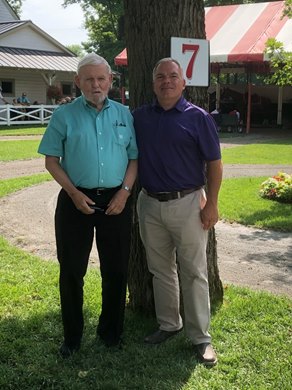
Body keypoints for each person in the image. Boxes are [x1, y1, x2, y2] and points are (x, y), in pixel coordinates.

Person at [38, 53, 138, 358]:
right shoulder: (63, 116)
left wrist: (124, 193)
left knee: (116, 269)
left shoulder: (124, 114)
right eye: (89, 79)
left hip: (116, 201)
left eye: (101, 79)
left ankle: (111, 334)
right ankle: (72, 338)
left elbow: (134, 158)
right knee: (71, 271)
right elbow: (51, 161)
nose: (96, 84)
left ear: (110, 81)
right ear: (79, 82)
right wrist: (72, 193)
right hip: (74, 200)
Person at [133, 58, 222, 367]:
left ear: (183, 83)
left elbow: (214, 164)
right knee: (159, 270)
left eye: (173, 76)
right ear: (153, 83)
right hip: (149, 204)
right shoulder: (139, 117)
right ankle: (169, 324)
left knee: (195, 272)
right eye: (161, 76)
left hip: (188, 203)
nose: (167, 81)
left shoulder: (199, 118)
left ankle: (201, 338)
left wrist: (211, 202)